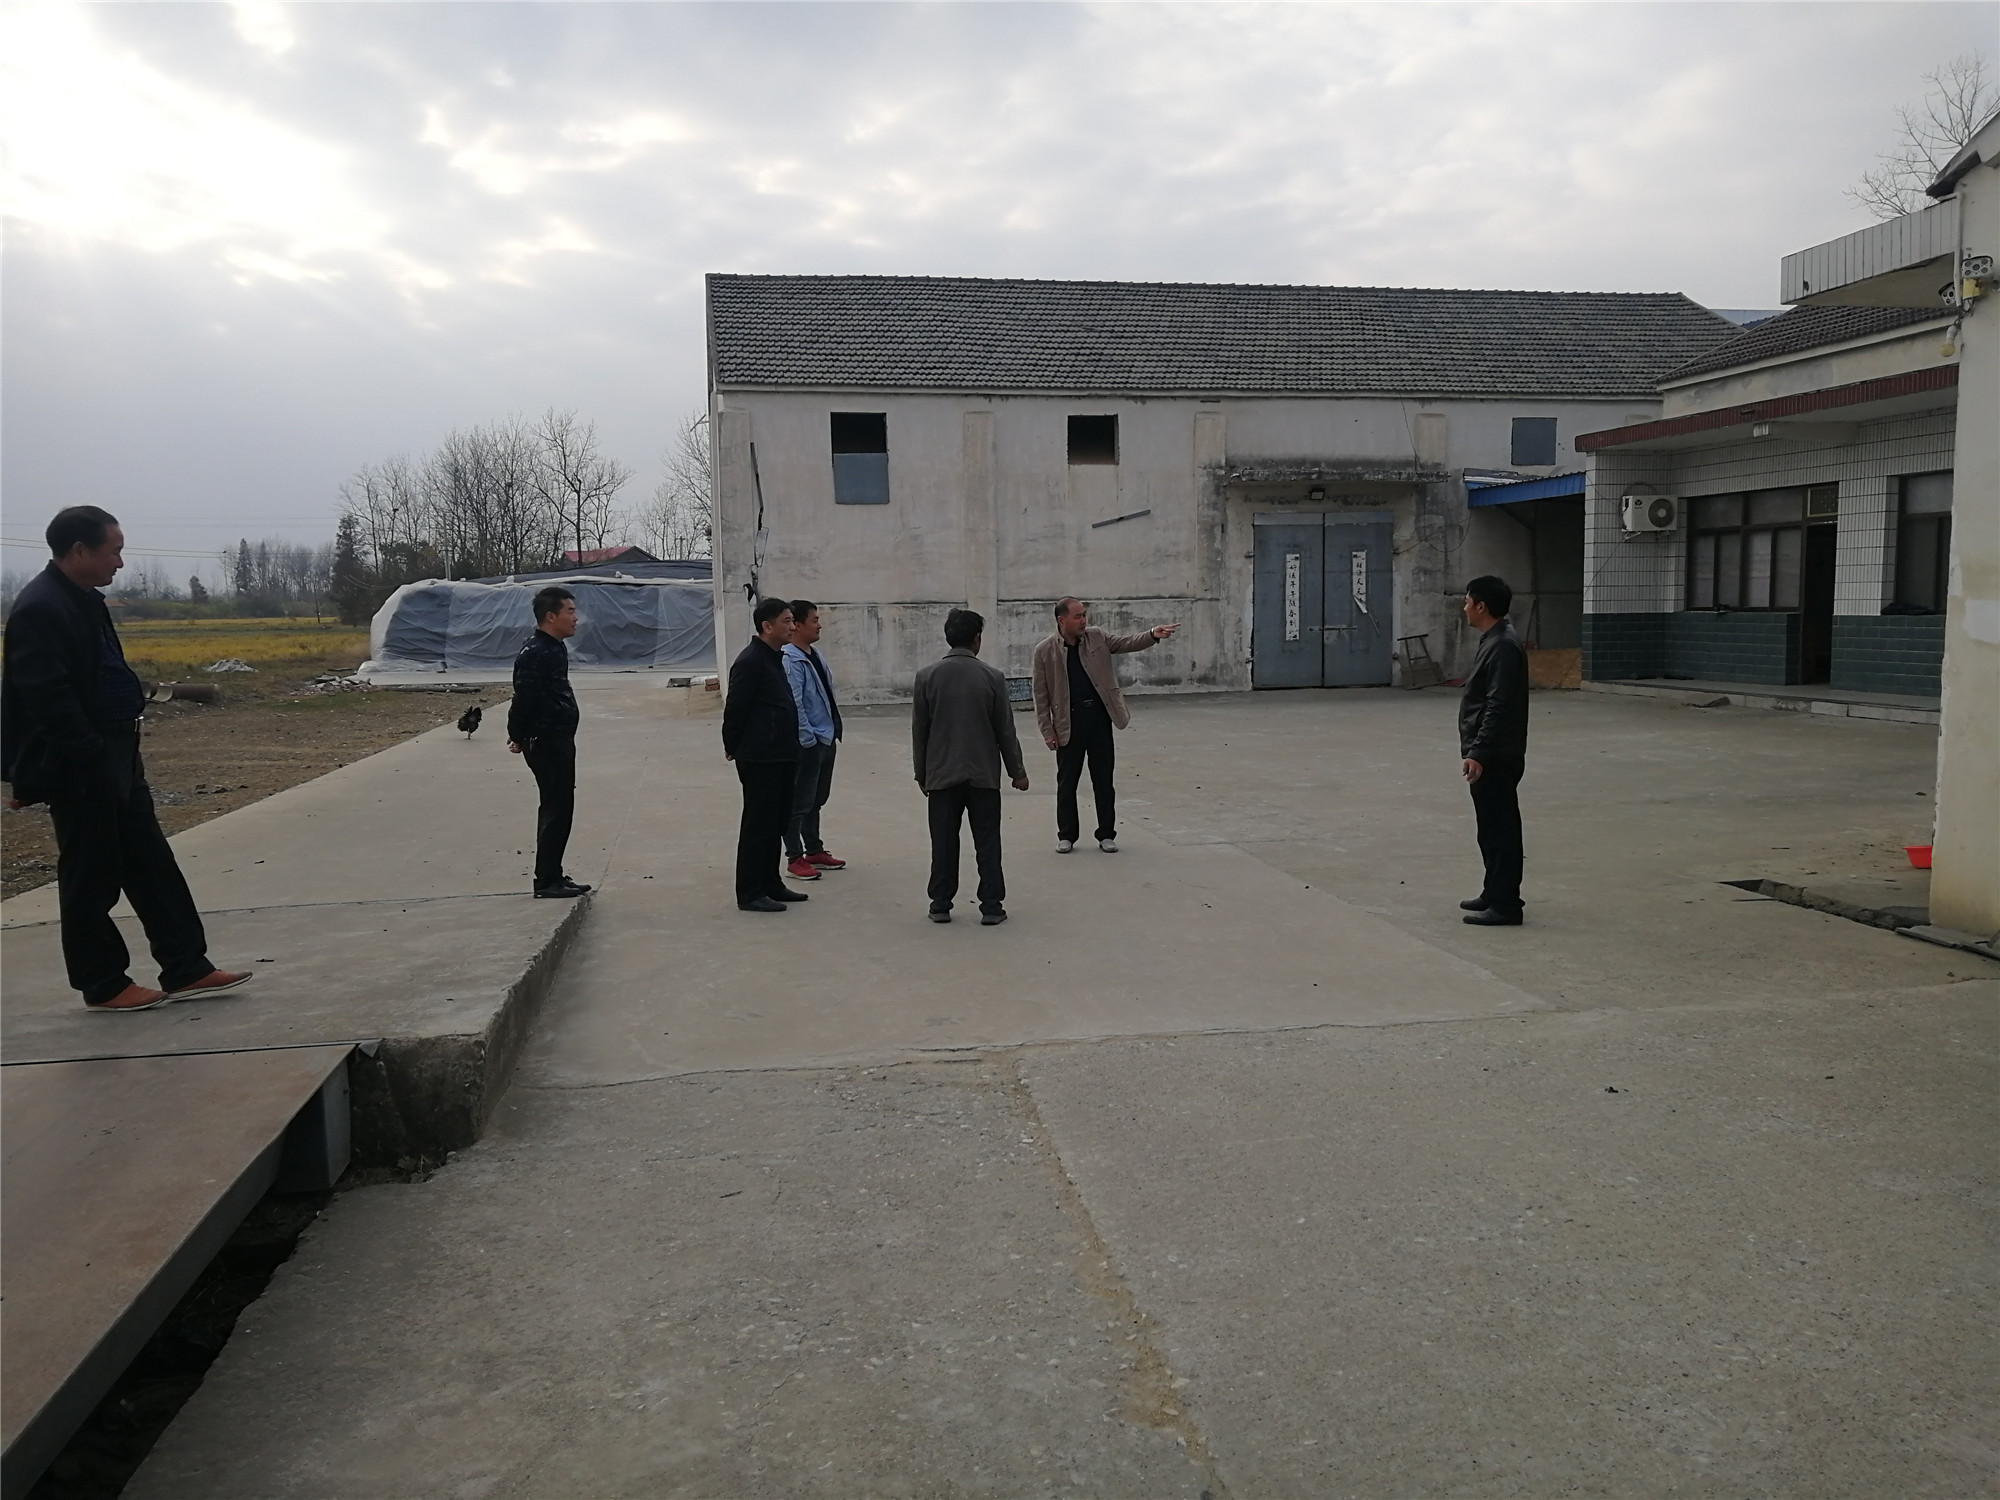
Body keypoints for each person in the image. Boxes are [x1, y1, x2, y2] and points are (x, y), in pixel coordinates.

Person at [0, 507, 251, 1011]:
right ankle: (103, 983)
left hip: (117, 753)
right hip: (83, 762)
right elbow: (46, 697)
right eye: (113, 550)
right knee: (90, 873)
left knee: (151, 863)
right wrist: (89, 754)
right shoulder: (41, 608)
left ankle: (186, 966)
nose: (119, 561)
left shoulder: (82, 600)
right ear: (79, 551)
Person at [1030, 597, 1177, 854]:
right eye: (1077, 616)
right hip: (1068, 723)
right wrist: (1047, 731)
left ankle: (1106, 834)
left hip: (1099, 719)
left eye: (1084, 615)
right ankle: (1067, 835)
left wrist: (1153, 634)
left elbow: (1126, 642)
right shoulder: (1044, 651)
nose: (1083, 620)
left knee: (1103, 781)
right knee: (1067, 783)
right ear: (1061, 620)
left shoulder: (1097, 637)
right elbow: (1040, 696)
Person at [912, 608, 1030, 925]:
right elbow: (1005, 730)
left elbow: (920, 732)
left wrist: (921, 774)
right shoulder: (992, 677)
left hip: (941, 776)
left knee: (943, 842)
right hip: (983, 777)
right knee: (987, 842)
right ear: (977, 639)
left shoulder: (926, 677)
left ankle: (940, 904)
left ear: (948, 638)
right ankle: (991, 906)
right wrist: (1017, 772)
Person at [505, 586, 590, 899]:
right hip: (545, 740)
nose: (576, 618)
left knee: (562, 806)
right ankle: (546, 881)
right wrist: (517, 735)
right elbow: (523, 698)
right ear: (551, 616)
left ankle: (553, 873)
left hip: (558, 738)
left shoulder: (554, 647)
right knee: (556, 807)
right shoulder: (535, 652)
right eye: (570, 611)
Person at [723, 598, 805, 913]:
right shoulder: (751, 661)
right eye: (787, 621)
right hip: (761, 757)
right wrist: (732, 745)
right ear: (767, 626)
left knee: (776, 822)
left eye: (793, 620)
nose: (793, 627)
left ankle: (771, 883)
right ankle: (750, 892)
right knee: (758, 824)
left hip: (781, 754)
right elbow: (735, 709)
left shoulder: (773, 657)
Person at [1458, 575, 1530, 927]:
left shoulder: (1502, 645)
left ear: (1481, 606)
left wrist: (1479, 752)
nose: (1465, 608)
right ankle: (1493, 891)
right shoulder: (1495, 639)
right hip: (1492, 752)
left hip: (1496, 756)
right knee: (1489, 828)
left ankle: (1506, 904)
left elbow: (1498, 705)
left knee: (1500, 829)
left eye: (1467, 601)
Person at [781, 599, 845, 880]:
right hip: (810, 741)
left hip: (826, 737)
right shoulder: (790, 659)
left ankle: (814, 850)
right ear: (797, 625)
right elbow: (795, 704)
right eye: (814, 620)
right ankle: (794, 858)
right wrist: (807, 739)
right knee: (799, 802)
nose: (819, 625)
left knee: (816, 799)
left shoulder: (814, 655)